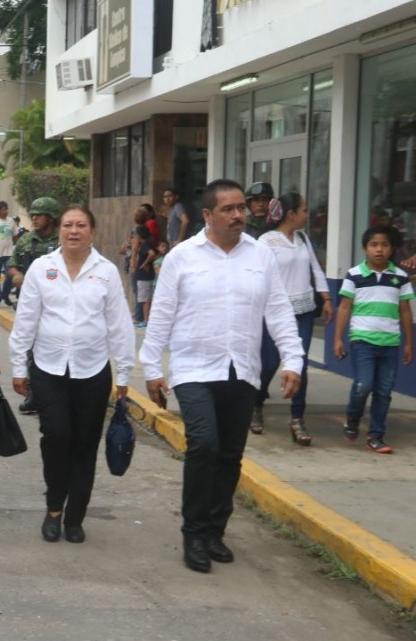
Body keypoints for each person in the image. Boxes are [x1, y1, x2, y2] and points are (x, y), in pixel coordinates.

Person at [140, 178, 303, 573]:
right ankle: (193, 532)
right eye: (228, 209)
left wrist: (293, 358)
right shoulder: (183, 256)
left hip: (243, 370)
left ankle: (215, 530)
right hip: (194, 367)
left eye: (242, 208)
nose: (238, 215)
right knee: (204, 445)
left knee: (230, 455)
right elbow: (161, 313)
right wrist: (150, 367)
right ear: (208, 215)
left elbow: (278, 310)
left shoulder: (260, 255)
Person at [9, 205, 135, 544]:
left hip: (92, 372)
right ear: (60, 229)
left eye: (81, 225)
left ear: (91, 231)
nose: (73, 231)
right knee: (57, 436)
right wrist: (19, 365)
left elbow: (120, 324)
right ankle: (53, 508)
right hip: (49, 369)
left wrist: (124, 372)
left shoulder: (105, 272)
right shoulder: (42, 268)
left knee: (84, 444)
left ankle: (76, 515)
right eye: (68, 225)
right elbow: (26, 319)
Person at [251, 193, 333, 442]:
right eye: (304, 210)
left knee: (300, 365)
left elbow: (316, 270)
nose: (307, 215)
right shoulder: (266, 242)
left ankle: (298, 419)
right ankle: (256, 404)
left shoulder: (303, 239)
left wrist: (327, 299)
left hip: (305, 311)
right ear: (291, 214)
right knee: (269, 364)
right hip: (275, 313)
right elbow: (257, 276)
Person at [334, 226, 414, 454]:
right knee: (363, 386)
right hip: (362, 340)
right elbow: (344, 308)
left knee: (384, 391)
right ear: (365, 248)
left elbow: (406, 311)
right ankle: (353, 417)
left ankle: (376, 435)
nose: (379, 249)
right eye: (374, 245)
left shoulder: (400, 277)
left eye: (385, 245)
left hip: (390, 343)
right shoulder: (354, 275)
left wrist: (409, 342)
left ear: (392, 249)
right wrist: (337, 339)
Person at [7, 197, 61, 415]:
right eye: (34, 215)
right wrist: (17, 275)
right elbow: (12, 264)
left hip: (57, 305)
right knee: (29, 349)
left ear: (51, 217)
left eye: (39, 215)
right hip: (30, 304)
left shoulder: (62, 241)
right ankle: (34, 395)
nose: (35, 218)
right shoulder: (26, 240)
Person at [131, 206, 157, 329]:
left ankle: (144, 319)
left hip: (142, 272)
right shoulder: (149, 237)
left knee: (142, 296)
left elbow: (139, 251)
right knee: (145, 296)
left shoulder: (143, 241)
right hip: (147, 272)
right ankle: (145, 318)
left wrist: (139, 264)